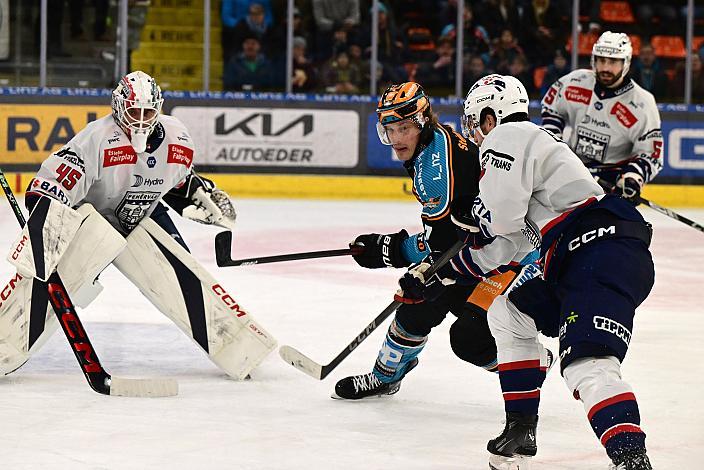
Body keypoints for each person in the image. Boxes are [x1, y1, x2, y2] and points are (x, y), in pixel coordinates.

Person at [0, 71, 276, 381]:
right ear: (119, 108)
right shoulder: (97, 139)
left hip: (144, 215)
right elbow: (50, 185)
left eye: (149, 112)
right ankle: (5, 339)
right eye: (135, 111)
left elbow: (175, 181)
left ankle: (238, 346)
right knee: (47, 281)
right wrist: (48, 226)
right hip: (93, 223)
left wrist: (196, 194)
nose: (142, 120)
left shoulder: (177, 136)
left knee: (181, 275)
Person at [442, 73, 653, 469]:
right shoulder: (531, 148)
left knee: (587, 362)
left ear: (491, 116)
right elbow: (512, 243)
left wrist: (476, 216)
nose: (475, 134)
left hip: (598, 249)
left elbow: (501, 220)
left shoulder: (508, 137)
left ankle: (630, 457)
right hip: (579, 254)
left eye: (476, 122)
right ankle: (521, 428)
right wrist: (448, 271)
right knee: (508, 313)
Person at [333, 82, 541, 400]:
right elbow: (447, 237)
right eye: (390, 129)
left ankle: (530, 365)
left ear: (422, 121)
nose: (397, 138)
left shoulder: (436, 166)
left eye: (404, 127)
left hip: (509, 258)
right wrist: (393, 250)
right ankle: (384, 377)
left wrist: (391, 249)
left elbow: (442, 239)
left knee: (470, 337)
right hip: (474, 248)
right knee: (416, 306)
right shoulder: (431, 146)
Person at [541, 31, 663, 204]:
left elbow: (651, 154)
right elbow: (552, 108)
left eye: (613, 62)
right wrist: (554, 145)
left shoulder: (642, 103)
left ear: (626, 63)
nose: (605, 68)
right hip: (572, 169)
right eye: (601, 60)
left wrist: (633, 177)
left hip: (612, 178)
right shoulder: (575, 82)